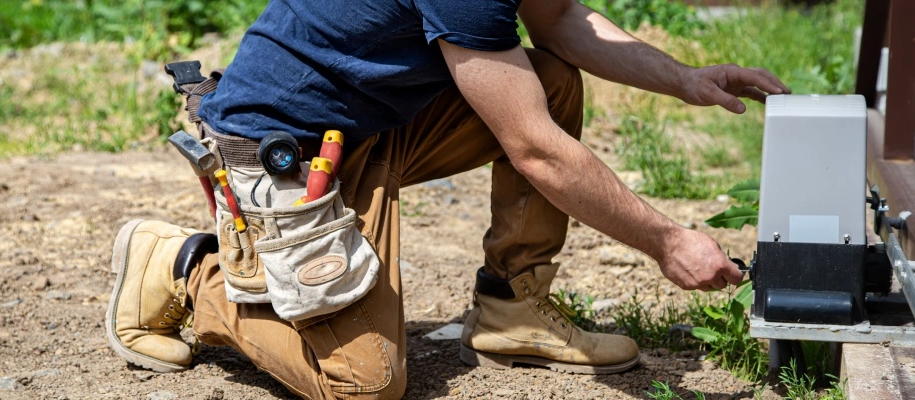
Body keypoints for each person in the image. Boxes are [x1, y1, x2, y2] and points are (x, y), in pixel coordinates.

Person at [104, 0, 789, 398]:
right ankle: (185, 268)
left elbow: (559, 23)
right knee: (362, 383)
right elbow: (536, 151)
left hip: (374, 120)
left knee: (547, 79)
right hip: (285, 144)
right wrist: (669, 243)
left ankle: (511, 305)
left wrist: (685, 78)